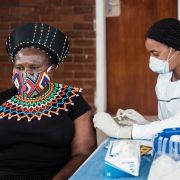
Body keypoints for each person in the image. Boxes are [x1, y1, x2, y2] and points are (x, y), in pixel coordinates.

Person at [0, 23, 97, 180]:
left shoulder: (72, 101)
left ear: (50, 71)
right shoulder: (2, 100)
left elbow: (83, 153)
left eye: (33, 67)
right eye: (19, 68)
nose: (25, 74)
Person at [93, 18, 180, 140]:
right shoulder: (163, 80)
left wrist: (124, 132)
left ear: (175, 49)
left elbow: (177, 124)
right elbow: (165, 126)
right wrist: (144, 124)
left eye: (155, 54)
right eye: (150, 54)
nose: (152, 59)